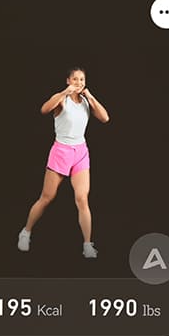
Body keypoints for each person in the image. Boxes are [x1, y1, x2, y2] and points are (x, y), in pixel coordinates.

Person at [19, 68, 106, 255]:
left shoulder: (85, 101)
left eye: (82, 79)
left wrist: (90, 96)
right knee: (47, 197)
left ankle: (87, 245)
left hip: (80, 151)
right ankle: (25, 232)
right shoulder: (61, 99)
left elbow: (105, 118)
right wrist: (64, 92)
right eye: (75, 79)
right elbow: (44, 109)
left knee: (82, 199)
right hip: (61, 151)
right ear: (68, 80)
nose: (79, 82)